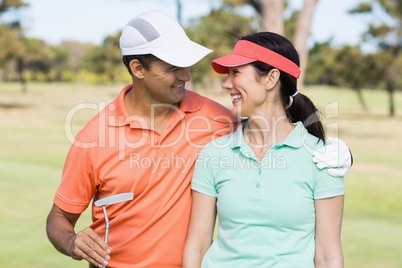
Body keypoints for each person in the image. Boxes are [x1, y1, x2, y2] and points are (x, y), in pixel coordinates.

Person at [46, 11, 351, 268]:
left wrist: (338, 153)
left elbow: (271, 127)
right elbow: (59, 217)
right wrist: (72, 242)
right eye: (173, 68)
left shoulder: (218, 120)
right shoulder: (93, 138)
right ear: (138, 69)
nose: (186, 76)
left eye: (187, 64)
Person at [182, 32, 346, 268]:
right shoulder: (214, 154)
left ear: (270, 79)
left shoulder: (322, 159)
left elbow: (328, 256)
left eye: (236, 72)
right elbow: (197, 247)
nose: (226, 84)